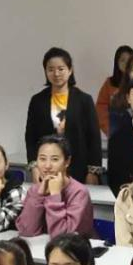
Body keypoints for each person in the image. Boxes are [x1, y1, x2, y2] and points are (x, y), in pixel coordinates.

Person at [25, 47, 102, 184]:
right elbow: (30, 137)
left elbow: (94, 137)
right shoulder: (37, 101)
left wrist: (93, 171)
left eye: (61, 69)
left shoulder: (84, 100)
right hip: (47, 169)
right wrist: (34, 166)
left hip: (78, 168)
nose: (56, 73)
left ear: (70, 70)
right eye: (51, 69)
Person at [15, 135, 94, 239]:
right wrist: (38, 196)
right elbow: (26, 231)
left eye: (55, 159)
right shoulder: (34, 190)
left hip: (72, 247)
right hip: (41, 247)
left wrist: (55, 195)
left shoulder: (79, 192)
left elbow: (64, 238)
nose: (47, 166)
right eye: (42, 159)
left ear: (67, 161)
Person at [96, 45, 133, 137]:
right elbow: (100, 106)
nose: (126, 63)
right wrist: (109, 128)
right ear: (117, 63)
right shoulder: (110, 83)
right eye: (122, 60)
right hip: (116, 132)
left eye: (129, 60)